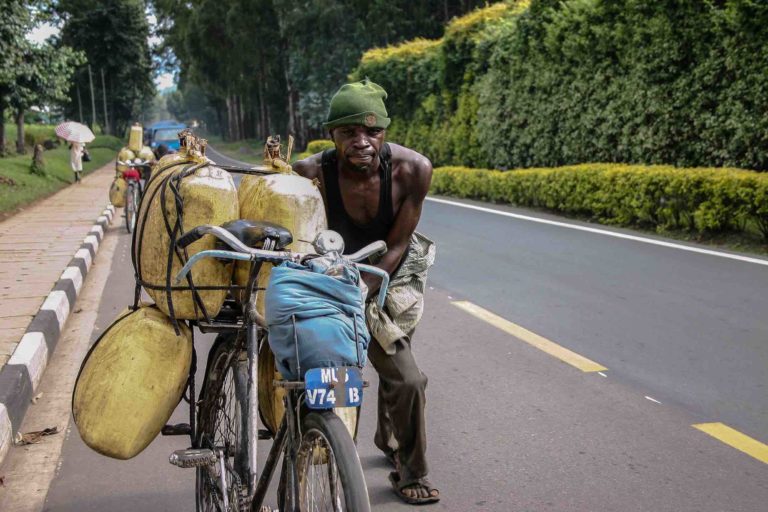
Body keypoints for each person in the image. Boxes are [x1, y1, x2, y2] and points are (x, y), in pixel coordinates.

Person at [294, 79, 439, 505]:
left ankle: (410, 469)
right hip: (325, 278)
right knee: (340, 363)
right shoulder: (311, 174)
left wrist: (363, 287)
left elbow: (396, 245)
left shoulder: (413, 171)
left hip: (386, 276)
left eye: (372, 132)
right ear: (332, 134)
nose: (362, 142)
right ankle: (338, 439)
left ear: (385, 132)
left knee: (406, 379)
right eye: (349, 133)